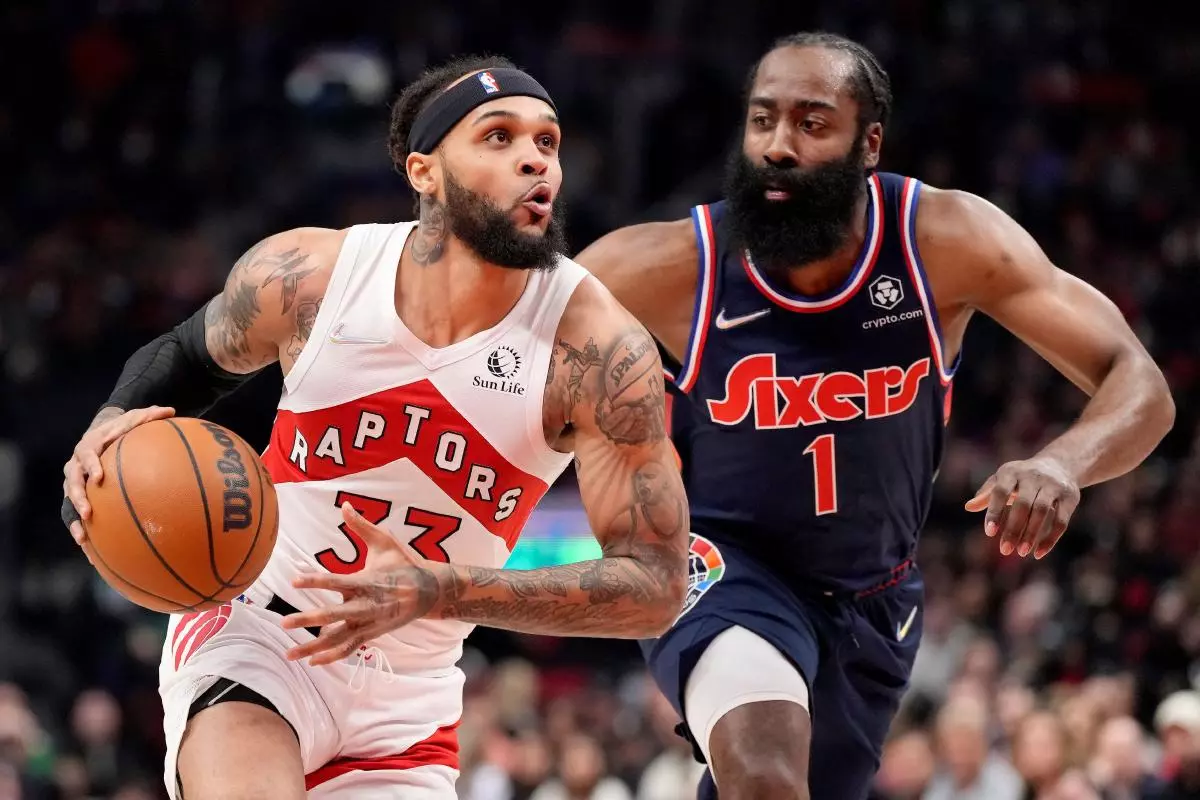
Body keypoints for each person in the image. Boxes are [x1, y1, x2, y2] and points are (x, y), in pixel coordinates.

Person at [60, 55, 688, 800]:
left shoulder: (597, 351)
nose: (533, 158)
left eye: (547, 142)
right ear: (424, 171)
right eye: (498, 136)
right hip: (258, 632)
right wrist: (106, 430)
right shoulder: (314, 277)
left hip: (408, 700)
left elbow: (654, 585)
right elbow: (185, 357)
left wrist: (442, 589)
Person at [573, 31, 1175, 800]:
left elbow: (1141, 386)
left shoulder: (945, 241)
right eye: (763, 122)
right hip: (721, 562)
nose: (778, 147)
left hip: (875, 593)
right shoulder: (666, 265)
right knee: (763, 776)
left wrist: (1063, 462)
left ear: (870, 143)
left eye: (811, 123)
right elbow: (499, 358)